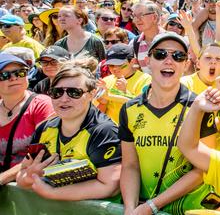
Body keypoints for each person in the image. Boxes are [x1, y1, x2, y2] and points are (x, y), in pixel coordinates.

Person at [119, 32, 217, 215]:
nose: (169, 60)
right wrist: (130, 209)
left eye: (178, 56)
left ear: (186, 64)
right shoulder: (129, 110)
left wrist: (153, 205)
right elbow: (130, 166)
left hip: (189, 208)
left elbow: (204, 168)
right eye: (160, 54)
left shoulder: (200, 107)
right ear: (148, 61)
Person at [16, 57, 121, 201]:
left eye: (74, 92)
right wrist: (30, 176)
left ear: (91, 94)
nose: (64, 99)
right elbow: (21, 177)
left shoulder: (104, 131)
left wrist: (52, 193)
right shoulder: (44, 129)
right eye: (57, 92)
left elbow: (110, 186)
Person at [0, 54, 54, 185]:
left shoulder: (42, 105)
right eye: (5, 75)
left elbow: (42, 153)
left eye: (20, 72)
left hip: (28, 185)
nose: (14, 78)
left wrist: (3, 178)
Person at [97, 44, 151, 123]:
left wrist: (124, 93)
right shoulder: (105, 81)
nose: (115, 68)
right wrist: (103, 103)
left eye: (120, 65)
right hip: (111, 131)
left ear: (132, 62)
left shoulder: (145, 79)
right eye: (111, 65)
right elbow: (97, 116)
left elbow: (143, 108)